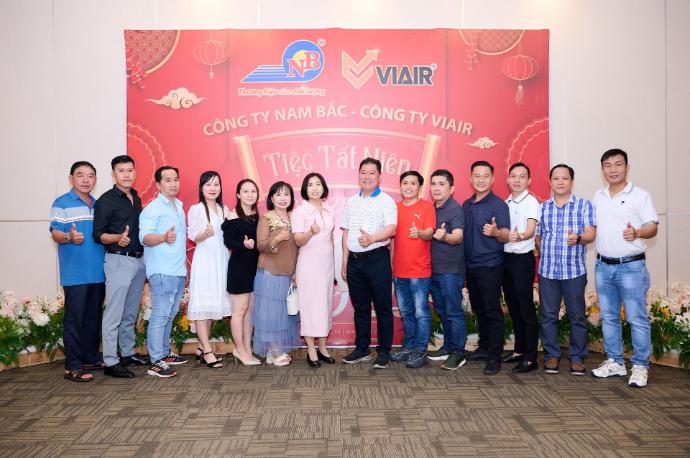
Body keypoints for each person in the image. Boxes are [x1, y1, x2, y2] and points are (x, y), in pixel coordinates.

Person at [591, 149, 658, 388]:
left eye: (618, 164)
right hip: (603, 266)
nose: (613, 170)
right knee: (609, 317)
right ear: (602, 169)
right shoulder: (598, 196)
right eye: (608, 165)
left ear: (627, 167)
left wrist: (637, 232)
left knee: (636, 318)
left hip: (631, 266)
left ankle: (640, 366)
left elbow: (652, 226)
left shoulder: (640, 195)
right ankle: (615, 362)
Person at [536, 164, 596, 376]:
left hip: (574, 272)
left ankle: (577, 358)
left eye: (565, 178)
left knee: (577, 316)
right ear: (550, 182)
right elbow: (538, 236)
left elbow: (590, 234)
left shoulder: (584, 205)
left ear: (572, 181)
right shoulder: (542, 208)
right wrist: (544, 251)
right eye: (556, 178)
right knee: (548, 316)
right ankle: (551, 356)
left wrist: (578, 238)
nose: (560, 182)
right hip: (548, 271)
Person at [50, 161, 106, 382]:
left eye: (91, 176)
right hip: (75, 274)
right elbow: (55, 233)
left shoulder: (98, 204)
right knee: (74, 319)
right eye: (80, 175)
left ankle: (90, 357)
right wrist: (69, 237)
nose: (86, 180)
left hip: (98, 272)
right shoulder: (62, 202)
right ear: (71, 178)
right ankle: (72, 366)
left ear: (95, 180)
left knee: (93, 318)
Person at [93, 155, 147, 378]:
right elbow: (97, 234)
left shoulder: (136, 197)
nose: (126, 174)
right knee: (114, 313)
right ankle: (110, 361)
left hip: (138, 261)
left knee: (130, 312)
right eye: (121, 171)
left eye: (130, 170)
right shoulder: (106, 200)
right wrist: (116, 238)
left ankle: (127, 352)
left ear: (135, 172)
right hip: (118, 260)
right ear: (113, 174)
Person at [341, 158, 397, 369]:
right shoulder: (351, 201)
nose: (367, 176)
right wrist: (344, 260)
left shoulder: (386, 201)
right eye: (363, 172)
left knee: (383, 307)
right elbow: (346, 231)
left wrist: (372, 238)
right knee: (361, 308)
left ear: (379, 177)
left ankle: (384, 351)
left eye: (371, 173)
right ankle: (362, 348)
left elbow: (391, 228)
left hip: (377, 259)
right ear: (359, 175)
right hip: (354, 262)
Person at [462, 160, 510, 375]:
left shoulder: (498, 205)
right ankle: (484, 347)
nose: (481, 180)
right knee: (479, 308)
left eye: (485, 176)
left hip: (490, 265)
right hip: (470, 265)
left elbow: (506, 234)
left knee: (492, 310)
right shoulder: (466, 204)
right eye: (477, 176)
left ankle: (494, 356)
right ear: (471, 178)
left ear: (493, 179)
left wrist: (496, 232)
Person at [139, 166, 188, 378]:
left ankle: (165, 353)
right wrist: (163, 238)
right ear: (158, 185)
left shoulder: (179, 206)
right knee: (160, 314)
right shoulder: (153, 209)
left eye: (176, 179)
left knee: (170, 313)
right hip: (161, 270)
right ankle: (155, 361)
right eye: (167, 180)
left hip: (177, 270)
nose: (173, 183)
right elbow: (144, 237)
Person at [390, 171, 435, 369]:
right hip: (399, 271)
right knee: (406, 312)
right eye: (405, 183)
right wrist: (392, 264)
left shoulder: (427, 206)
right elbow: (392, 239)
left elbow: (429, 233)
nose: (408, 186)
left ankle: (420, 350)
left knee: (420, 312)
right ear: (400, 186)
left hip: (419, 271)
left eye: (413, 183)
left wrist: (420, 232)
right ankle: (409, 346)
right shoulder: (395, 207)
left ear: (420, 187)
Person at [187, 171, 231, 369]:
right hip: (205, 261)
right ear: (201, 187)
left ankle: (200, 346)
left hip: (221, 260)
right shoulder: (196, 209)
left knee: (212, 304)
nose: (213, 188)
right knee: (203, 305)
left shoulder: (224, 209)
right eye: (208, 184)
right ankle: (207, 350)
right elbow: (193, 236)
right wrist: (204, 233)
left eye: (216, 184)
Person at [291, 173, 336, 368]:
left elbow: (331, 240)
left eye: (318, 184)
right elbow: (298, 241)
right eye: (310, 185)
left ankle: (323, 348)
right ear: (305, 189)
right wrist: (311, 231)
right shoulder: (300, 212)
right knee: (310, 306)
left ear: (323, 187)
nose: (315, 188)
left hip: (327, 265)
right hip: (308, 265)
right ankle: (311, 349)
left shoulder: (328, 210)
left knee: (325, 305)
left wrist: (333, 267)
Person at [253, 181, 300, 365]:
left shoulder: (294, 217)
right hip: (270, 273)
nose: (282, 198)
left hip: (288, 273)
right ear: (271, 198)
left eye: (286, 194)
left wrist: (296, 271)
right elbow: (260, 246)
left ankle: (273, 351)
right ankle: (274, 351)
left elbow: (298, 248)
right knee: (271, 315)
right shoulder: (267, 218)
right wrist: (278, 238)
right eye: (278, 194)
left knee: (283, 315)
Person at [427, 169, 468, 370]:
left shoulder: (455, 209)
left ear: (451, 189)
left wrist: (445, 236)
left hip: (451, 271)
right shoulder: (430, 208)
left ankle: (459, 353)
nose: (436, 188)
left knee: (453, 312)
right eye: (433, 183)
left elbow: (458, 237)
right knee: (442, 311)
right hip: (433, 269)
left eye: (441, 184)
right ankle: (448, 346)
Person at [501, 162, 541, 373]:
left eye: (522, 176)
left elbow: (531, 230)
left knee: (525, 308)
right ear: (508, 179)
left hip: (523, 259)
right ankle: (519, 350)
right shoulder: (505, 202)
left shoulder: (531, 202)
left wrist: (520, 235)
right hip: (505, 259)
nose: (517, 180)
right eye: (513, 176)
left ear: (529, 180)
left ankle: (531, 357)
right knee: (513, 307)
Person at [222, 179, 261, 366]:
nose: (250, 194)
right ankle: (239, 349)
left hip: (255, 268)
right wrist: (243, 245)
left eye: (253, 191)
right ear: (238, 194)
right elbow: (229, 242)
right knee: (239, 310)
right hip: (239, 268)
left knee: (250, 310)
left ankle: (247, 348)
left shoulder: (257, 215)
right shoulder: (232, 215)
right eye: (245, 191)